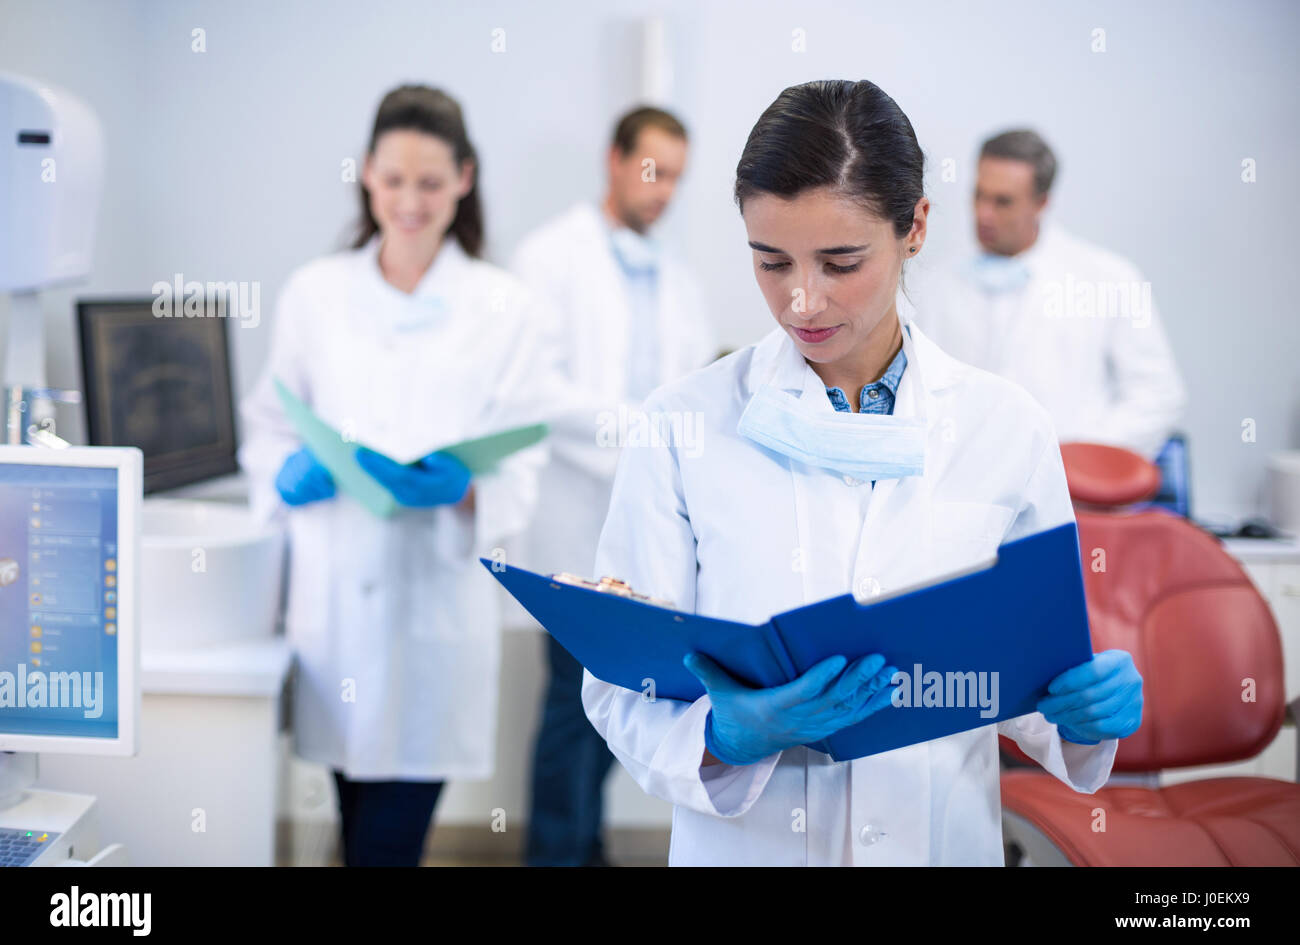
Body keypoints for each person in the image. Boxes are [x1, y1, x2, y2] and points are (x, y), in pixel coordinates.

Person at [581, 80, 1144, 866]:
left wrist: (1082, 710)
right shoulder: (682, 425)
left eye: (840, 262)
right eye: (771, 261)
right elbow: (619, 684)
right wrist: (719, 734)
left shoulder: (1004, 427)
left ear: (914, 227)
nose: (801, 299)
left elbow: (1027, 676)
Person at [238, 85, 563, 866]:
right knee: (358, 827)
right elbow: (270, 418)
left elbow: (524, 452)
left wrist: (466, 486)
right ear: (368, 179)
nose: (409, 201)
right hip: (336, 606)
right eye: (392, 181)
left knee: (390, 840)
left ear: (464, 178)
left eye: (429, 182)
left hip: (434, 613)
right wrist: (287, 473)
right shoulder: (317, 292)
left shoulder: (505, 306)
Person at [510, 106, 717, 866]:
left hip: (646, 530)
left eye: (677, 178)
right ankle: (556, 855)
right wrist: (640, 434)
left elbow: (691, 393)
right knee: (573, 703)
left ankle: (583, 846)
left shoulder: (678, 279)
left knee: (621, 700)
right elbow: (536, 390)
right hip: (575, 519)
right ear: (615, 159)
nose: (662, 191)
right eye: (652, 168)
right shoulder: (547, 258)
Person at [910, 129, 1186, 460]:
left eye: (1003, 202)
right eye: (979, 195)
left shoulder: (1111, 279)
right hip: (963, 480)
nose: (983, 214)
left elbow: (1158, 395)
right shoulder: (936, 282)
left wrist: (1076, 460)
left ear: (1041, 203)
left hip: (1072, 490)